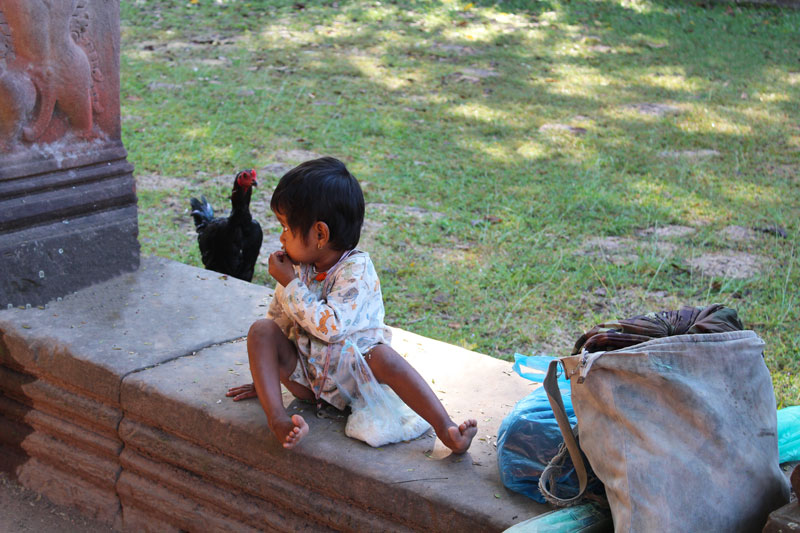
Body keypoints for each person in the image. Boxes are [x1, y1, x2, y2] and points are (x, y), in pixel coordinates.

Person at [226, 156, 477, 452]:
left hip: (356, 377)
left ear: (320, 234)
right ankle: (279, 419)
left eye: (286, 228)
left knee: (386, 358)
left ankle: (446, 428)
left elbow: (331, 328)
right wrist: (264, 376)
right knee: (261, 330)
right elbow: (279, 318)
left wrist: (291, 283)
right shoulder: (299, 265)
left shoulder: (355, 271)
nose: (281, 237)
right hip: (306, 377)